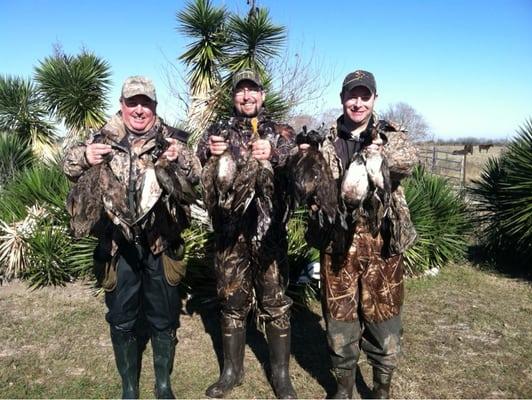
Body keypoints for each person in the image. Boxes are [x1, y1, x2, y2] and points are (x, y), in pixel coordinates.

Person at [63, 76, 201, 399]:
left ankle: (163, 384)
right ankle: (129, 386)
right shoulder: (101, 137)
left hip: (160, 242)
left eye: (146, 103)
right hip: (117, 245)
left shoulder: (171, 138)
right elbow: (67, 165)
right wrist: (86, 156)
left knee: (164, 315)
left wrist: (180, 157)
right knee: (122, 317)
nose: (139, 110)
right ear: (122, 105)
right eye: (132, 102)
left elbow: (196, 173)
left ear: (154, 106)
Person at [302, 70, 417, 399]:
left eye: (364, 96)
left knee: (384, 323)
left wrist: (380, 153)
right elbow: (307, 180)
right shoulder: (323, 141)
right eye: (352, 95)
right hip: (337, 243)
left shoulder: (390, 135)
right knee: (340, 321)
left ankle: (380, 391)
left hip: (382, 243)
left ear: (374, 100)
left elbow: (408, 161)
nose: (357, 102)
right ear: (342, 99)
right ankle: (343, 389)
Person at [196, 68, 297, 399]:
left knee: (275, 302)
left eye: (252, 90)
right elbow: (196, 162)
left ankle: (281, 375)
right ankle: (231, 371)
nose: (247, 96)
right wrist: (208, 151)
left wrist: (275, 152)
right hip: (230, 235)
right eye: (241, 90)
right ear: (234, 96)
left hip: (269, 233)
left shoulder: (280, 130)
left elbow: (296, 158)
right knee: (231, 301)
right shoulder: (218, 131)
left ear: (262, 95)